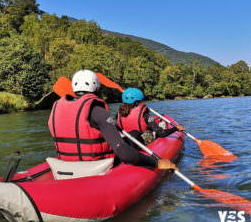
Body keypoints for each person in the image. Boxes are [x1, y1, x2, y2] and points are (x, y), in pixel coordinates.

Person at [48, 69, 176, 170]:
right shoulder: (97, 110)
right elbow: (124, 153)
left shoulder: (56, 108)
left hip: (65, 164)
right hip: (97, 164)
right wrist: (155, 162)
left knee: (133, 134)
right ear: (97, 88)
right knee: (134, 135)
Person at [117, 88, 185, 145]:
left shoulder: (120, 113)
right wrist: (176, 128)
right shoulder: (144, 114)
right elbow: (162, 133)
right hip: (140, 142)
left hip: (127, 139)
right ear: (137, 101)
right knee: (153, 131)